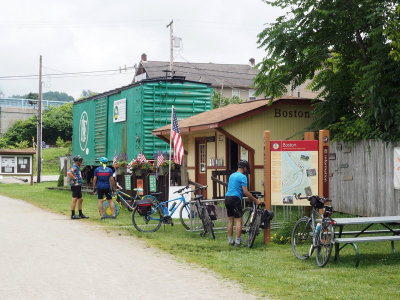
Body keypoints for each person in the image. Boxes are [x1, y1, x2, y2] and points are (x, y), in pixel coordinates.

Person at [225, 160, 262, 246]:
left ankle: (230, 241)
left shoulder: (232, 175)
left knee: (230, 221)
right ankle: (238, 242)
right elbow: (245, 192)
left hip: (227, 198)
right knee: (239, 221)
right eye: (246, 168)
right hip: (235, 199)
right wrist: (255, 200)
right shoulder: (243, 177)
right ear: (245, 168)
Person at [67, 155, 89, 220]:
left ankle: (80, 214)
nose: (81, 162)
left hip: (78, 186)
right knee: (74, 199)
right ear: (77, 162)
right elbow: (69, 173)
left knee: (80, 199)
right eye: (80, 161)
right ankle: (73, 215)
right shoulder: (74, 167)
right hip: (75, 186)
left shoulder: (77, 167)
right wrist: (74, 178)